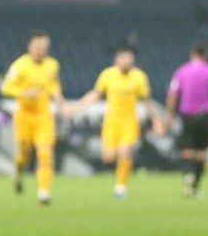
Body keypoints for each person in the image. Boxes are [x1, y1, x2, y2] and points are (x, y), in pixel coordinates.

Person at [63, 45, 165, 199]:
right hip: (112, 122)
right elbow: (95, 94)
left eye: (129, 58)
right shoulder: (108, 75)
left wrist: (156, 121)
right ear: (116, 59)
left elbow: (147, 101)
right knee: (109, 157)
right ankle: (119, 177)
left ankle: (121, 187)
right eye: (123, 58)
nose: (126, 61)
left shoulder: (139, 77)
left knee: (124, 151)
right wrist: (74, 108)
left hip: (130, 121)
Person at [1, 32, 63, 204]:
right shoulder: (19, 66)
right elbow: (5, 87)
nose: (41, 51)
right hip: (24, 116)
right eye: (38, 47)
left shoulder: (52, 65)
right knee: (23, 155)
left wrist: (59, 99)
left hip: (44, 116)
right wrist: (23, 92)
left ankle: (44, 192)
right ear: (30, 46)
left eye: (44, 48)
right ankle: (19, 174)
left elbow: (53, 84)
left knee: (45, 153)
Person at [165, 44, 208, 199]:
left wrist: (169, 114)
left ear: (192, 54)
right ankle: (194, 187)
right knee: (201, 152)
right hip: (204, 116)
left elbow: (173, 95)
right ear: (205, 55)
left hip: (187, 116)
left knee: (187, 150)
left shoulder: (181, 71)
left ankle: (188, 174)